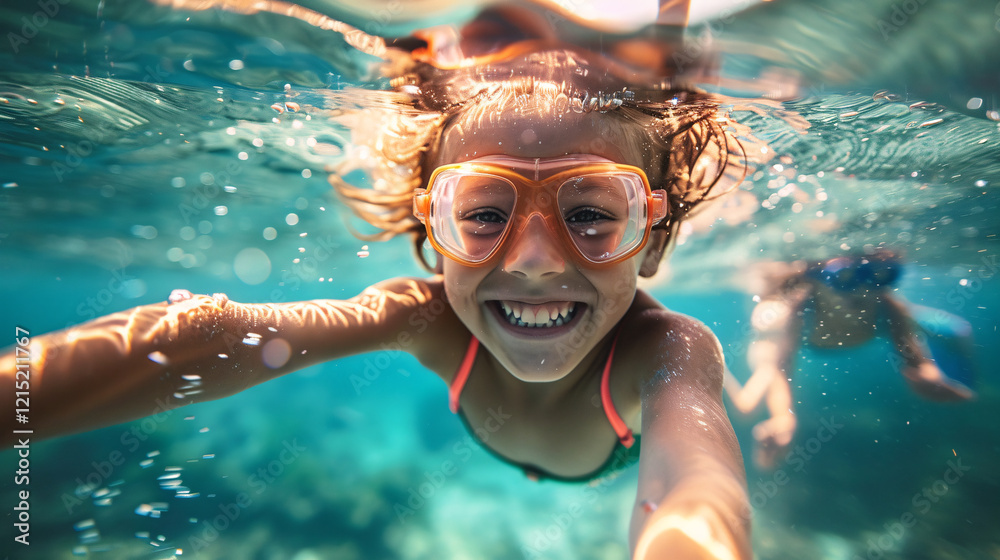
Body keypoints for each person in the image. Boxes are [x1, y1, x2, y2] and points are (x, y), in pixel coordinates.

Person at [1, 4, 754, 559]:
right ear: (432, 237)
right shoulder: (426, 317)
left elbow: (697, 487)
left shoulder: (669, 352)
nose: (534, 260)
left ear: (652, 239)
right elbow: (220, 338)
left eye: (592, 213)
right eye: (484, 214)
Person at [722, 249, 976, 469]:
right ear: (816, 281)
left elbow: (916, 360)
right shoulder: (797, 308)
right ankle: (710, 360)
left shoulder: (888, 305)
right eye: (844, 277)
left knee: (958, 330)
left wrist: (929, 377)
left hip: (853, 331)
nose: (863, 290)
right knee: (746, 407)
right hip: (790, 333)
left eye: (879, 275)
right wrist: (783, 416)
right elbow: (781, 368)